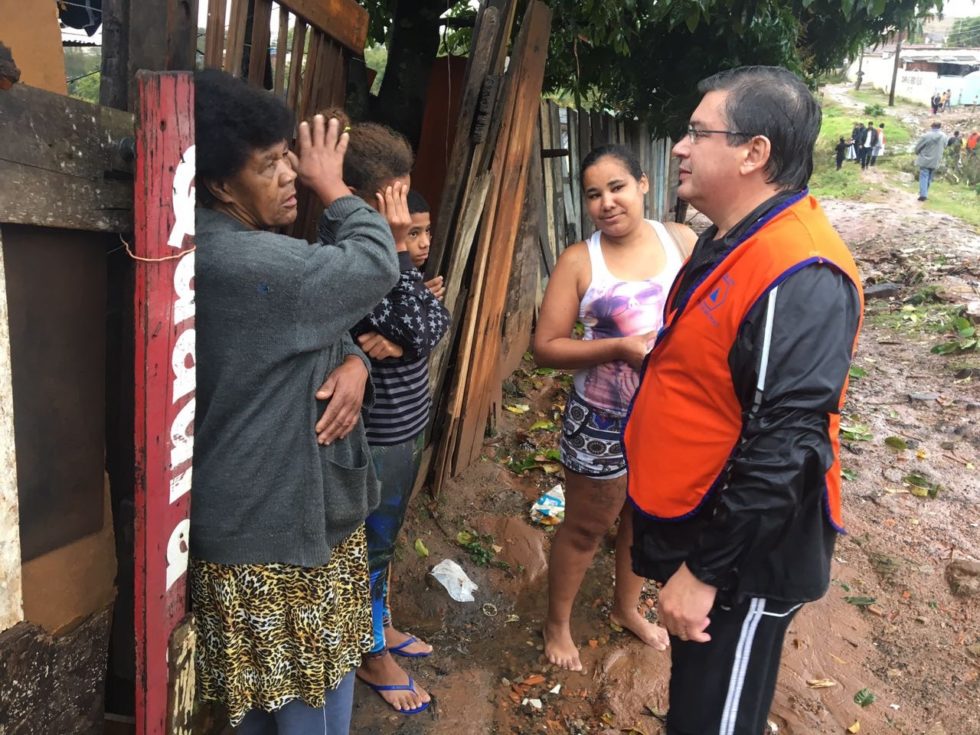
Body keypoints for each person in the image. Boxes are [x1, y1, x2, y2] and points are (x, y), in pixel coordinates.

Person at [624, 66, 863, 735]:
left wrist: (704, 571)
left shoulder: (803, 271)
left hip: (744, 563)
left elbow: (790, 444)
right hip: (708, 528)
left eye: (699, 132)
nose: (679, 146)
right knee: (697, 706)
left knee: (714, 721)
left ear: (754, 152)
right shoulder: (731, 238)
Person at [191, 69, 400, 733]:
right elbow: (373, 265)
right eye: (270, 164)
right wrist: (335, 187)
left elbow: (324, 325)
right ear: (222, 184)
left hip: (292, 523)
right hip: (270, 540)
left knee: (306, 701)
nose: (291, 175)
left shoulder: (246, 250)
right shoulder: (240, 261)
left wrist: (355, 361)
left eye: (292, 159)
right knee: (296, 717)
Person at [533, 144, 697, 672]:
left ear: (644, 184)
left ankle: (627, 606)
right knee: (586, 525)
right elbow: (546, 347)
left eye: (617, 187)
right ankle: (557, 623)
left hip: (668, 418)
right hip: (601, 421)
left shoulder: (682, 240)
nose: (606, 202)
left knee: (641, 517)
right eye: (593, 194)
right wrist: (618, 348)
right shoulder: (581, 260)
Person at [339, 123, 451, 715]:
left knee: (384, 539)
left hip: (404, 428)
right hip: (376, 437)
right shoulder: (362, 261)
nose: (410, 226)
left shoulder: (395, 266)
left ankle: (378, 627)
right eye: (394, 205)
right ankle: (369, 653)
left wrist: (413, 329)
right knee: (369, 546)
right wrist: (403, 259)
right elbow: (429, 324)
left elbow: (433, 322)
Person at [914, 121, 947, 201]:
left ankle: (923, 194)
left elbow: (918, 147)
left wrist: (917, 152)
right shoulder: (944, 136)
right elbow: (945, 146)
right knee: (929, 177)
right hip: (936, 160)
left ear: (932, 126)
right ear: (940, 127)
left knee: (924, 176)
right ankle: (924, 193)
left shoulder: (926, 136)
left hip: (925, 159)